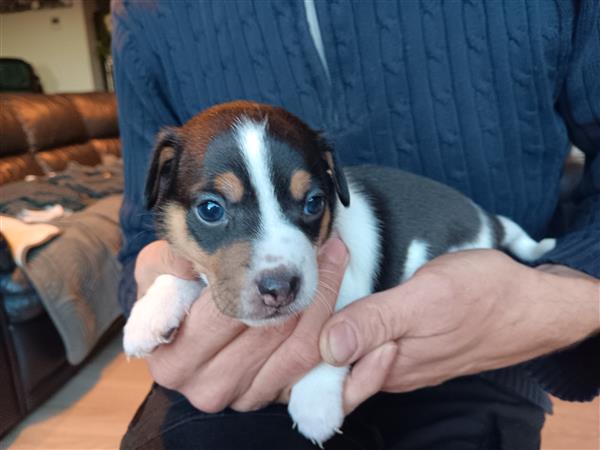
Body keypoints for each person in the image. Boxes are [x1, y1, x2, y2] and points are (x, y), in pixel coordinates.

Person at [111, 1, 600, 449]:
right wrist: (162, 291)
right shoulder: (145, 12)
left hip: (486, 364)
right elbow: (144, 238)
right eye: (214, 210)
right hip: (238, 376)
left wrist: (557, 296)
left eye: (308, 204)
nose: (273, 267)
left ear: (330, 187)